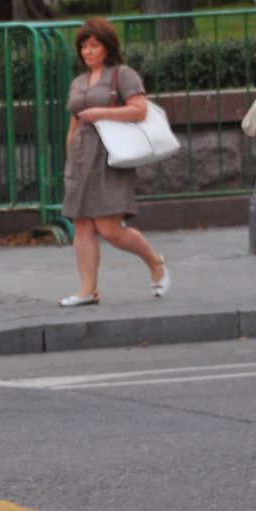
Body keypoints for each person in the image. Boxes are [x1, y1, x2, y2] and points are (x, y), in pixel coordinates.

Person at [59, 17, 170, 307]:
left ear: (108, 47)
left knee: (109, 228)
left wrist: (101, 113)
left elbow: (139, 110)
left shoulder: (122, 74)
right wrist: (69, 156)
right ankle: (87, 290)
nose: (87, 51)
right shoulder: (79, 81)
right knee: (81, 224)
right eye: (83, 46)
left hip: (110, 157)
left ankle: (154, 261)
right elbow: (74, 122)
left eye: (94, 45)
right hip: (81, 159)